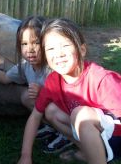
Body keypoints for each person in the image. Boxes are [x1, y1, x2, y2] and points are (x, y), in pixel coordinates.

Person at [17, 18, 121, 164]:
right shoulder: (53, 81)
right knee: (52, 112)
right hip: (97, 133)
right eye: (50, 48)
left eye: (65, 45)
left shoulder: (102, 80)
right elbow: (35, 117)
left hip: (117, 137)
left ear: (82, 50)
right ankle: (90, 152)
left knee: (81, 114)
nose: (58, 54)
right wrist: (25, 156)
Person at [0, 16, 71, 152]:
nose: (30, 49)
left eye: (36, 43)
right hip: (48, 108)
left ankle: (67, 135)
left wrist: (43, 91)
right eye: (24, 44)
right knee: (28, 97)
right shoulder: (25, 66)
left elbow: (66, 96)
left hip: (65, 111)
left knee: (49, 107)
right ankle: (52, 127)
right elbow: (5, 78)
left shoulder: (54, 66)